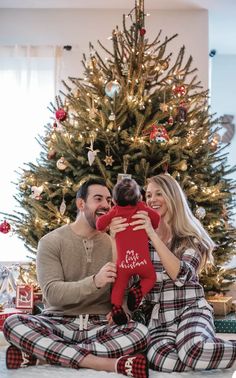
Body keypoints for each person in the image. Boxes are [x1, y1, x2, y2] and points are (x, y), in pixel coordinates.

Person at [3, 178, 150, 377]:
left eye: (109, 200)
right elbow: (53, 294)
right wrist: (95, 282)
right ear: (81, 204)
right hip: (56, 323)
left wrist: (122, 311)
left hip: (99, 327)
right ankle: (104, 364)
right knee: (13, 324)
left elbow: (124, 293)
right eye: (98, 199)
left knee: (139, 332)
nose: (106, 205)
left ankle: (46, 356)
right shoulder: (51, 241)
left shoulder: (115, 243)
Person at [110, 174, 236, 372]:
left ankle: (202, 347)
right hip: (160, 321)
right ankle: (209, 351)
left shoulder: (191, 237)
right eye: (149, 194)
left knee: (192, 351)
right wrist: (114, 239)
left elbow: (182, 274)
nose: (151, 199)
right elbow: (126, 275)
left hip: (190, 310)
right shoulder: (138, 235)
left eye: (159, 193)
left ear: (172, 196)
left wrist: (153, 234)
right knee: (162, 361)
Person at [96, 178, 160, 325]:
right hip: (142, 261)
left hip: (124, 264)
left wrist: (110, 219)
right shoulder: (142, 208)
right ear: (139, 197)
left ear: (114, 199)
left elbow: (99, 225)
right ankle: (137, 291)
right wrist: (149, 222)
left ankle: (117, 308)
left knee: (118, 286)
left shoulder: (115, 211)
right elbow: (156, 220)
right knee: (150, 278)